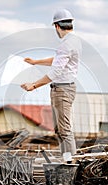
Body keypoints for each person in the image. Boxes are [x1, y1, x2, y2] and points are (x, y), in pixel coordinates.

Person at [21, 9, 82, 162]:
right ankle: (65, 159)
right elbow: (57, 60)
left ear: (56, 26)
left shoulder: (66, 44)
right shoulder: (73, 41)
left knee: (64, 129)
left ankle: (70, 163)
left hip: (62, 90)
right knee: (60, 129)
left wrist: (33, 85)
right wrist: (36, 62)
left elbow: (55, 72)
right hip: (62, 89)